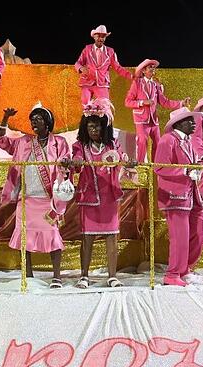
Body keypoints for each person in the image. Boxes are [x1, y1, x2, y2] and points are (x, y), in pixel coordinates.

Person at [0, 103, 71, 289]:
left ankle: (57, 277)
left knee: (53, 235)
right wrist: (5, 120)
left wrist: (66, 165)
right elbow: (2, 142)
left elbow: (67, 160)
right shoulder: (24, 142)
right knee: (24, 236)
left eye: (38, 119)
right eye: (32, 120)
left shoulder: (59, 142)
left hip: (48, 199)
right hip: (27, 198)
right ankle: (28, 274)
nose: (34, 123)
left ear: (48, 122)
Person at [64, 98, 135, 288]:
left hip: (109, 198)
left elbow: (122, 159)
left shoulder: (113, 145)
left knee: (112, 236)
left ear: (105, 127)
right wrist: (76, 162)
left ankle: (112, 276)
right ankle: (84, 276)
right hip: (89, 198)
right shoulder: (80, 146)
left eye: (97, 126)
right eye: (90, 126)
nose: (93, 130)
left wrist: (128, 163)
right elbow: (77, 159)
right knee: (88, 238)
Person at [154, 108, 203, 286]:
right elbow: (159, 167)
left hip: (191, 195)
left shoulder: (188, 142)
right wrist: (185, 170)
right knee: (179, 236)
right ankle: (172, 274)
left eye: (193, 120)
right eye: (190, 120)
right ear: (178, 123)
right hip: (175, 196)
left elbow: (193, 165)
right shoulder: (167, 140)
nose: (194, 123)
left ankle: (185, 267)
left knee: (202, 229)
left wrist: (199, 167)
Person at [125, 59, 189, 162]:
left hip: (153, 120)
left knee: (158, 142)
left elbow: (165, 102)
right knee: (142, 141)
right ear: (143, 71)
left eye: (154, 67)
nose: (153, 69)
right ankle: (141, 166)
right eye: (150, 67)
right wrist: (142, 102)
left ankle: (156, 165)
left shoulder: (155, 85)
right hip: (141, 120)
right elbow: (128, 102)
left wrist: (181, 103)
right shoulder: (137, 83)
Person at [74, 25, 132, 106]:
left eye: (103, 37)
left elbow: (117, 68)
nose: (101, 39)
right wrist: (81, 68)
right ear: (94, 36)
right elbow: (78, 63)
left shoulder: (110, 51)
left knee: (105, 107)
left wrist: (131, 75)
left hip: (102, 83)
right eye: (99, 36)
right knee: (86, 105)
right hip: (87, 82)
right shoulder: (87, 49)